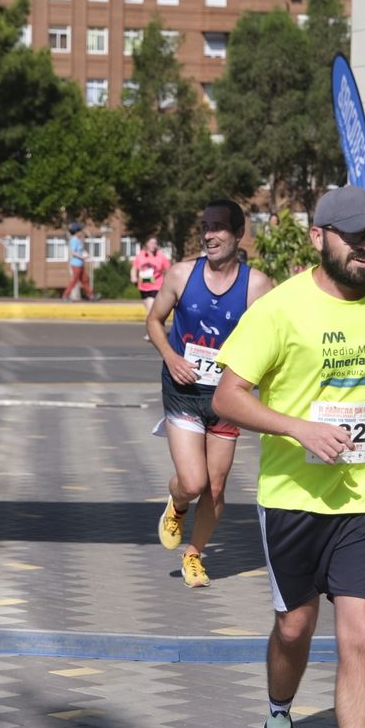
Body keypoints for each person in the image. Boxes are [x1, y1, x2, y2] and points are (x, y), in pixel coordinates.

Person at [212, 185, 365, 728]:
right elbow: (227, 396)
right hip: (293, 499)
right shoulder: (280, 309)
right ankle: (279, 722)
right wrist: (298, 429)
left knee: (360, 634)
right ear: (318, 238)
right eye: (354, 236)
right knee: (295, 627)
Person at [150, 201, 273, 588]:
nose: (209, 235)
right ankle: (179, 502)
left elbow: (270, 341)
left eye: (218, 227)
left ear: (238, 234)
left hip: (226, 397)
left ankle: (194, 554)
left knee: (216, 487)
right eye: (205, 227)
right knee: (193, 482)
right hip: (184, 390)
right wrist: (170, 356)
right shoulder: (182, 275)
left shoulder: (257, 285)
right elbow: (154, 321)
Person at [131, 237, 171, 341]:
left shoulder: (160, 256)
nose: (154, 245)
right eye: (151, 243)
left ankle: (151, 334)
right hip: (143, 287)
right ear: (146, 244)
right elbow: (134, 268)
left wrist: (168, 281)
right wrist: (133, 277)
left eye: (155, 243)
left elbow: (168, 269)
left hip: (156, 286)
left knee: (150, 310)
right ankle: (159, 329)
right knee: (152, 311)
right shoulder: (140, 255)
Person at [63, 222, 95, 300]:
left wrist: (85, 253)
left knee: (84, 280)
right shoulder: (74, 240)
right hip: (76, 264)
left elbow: (80, 250)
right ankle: (66, 295)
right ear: (76, 232)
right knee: (74, 280)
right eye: (80, 231)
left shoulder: (78, 240)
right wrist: (81, 256)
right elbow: (72, 252)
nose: (82, 232)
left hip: (80, 264)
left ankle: (91, 295)